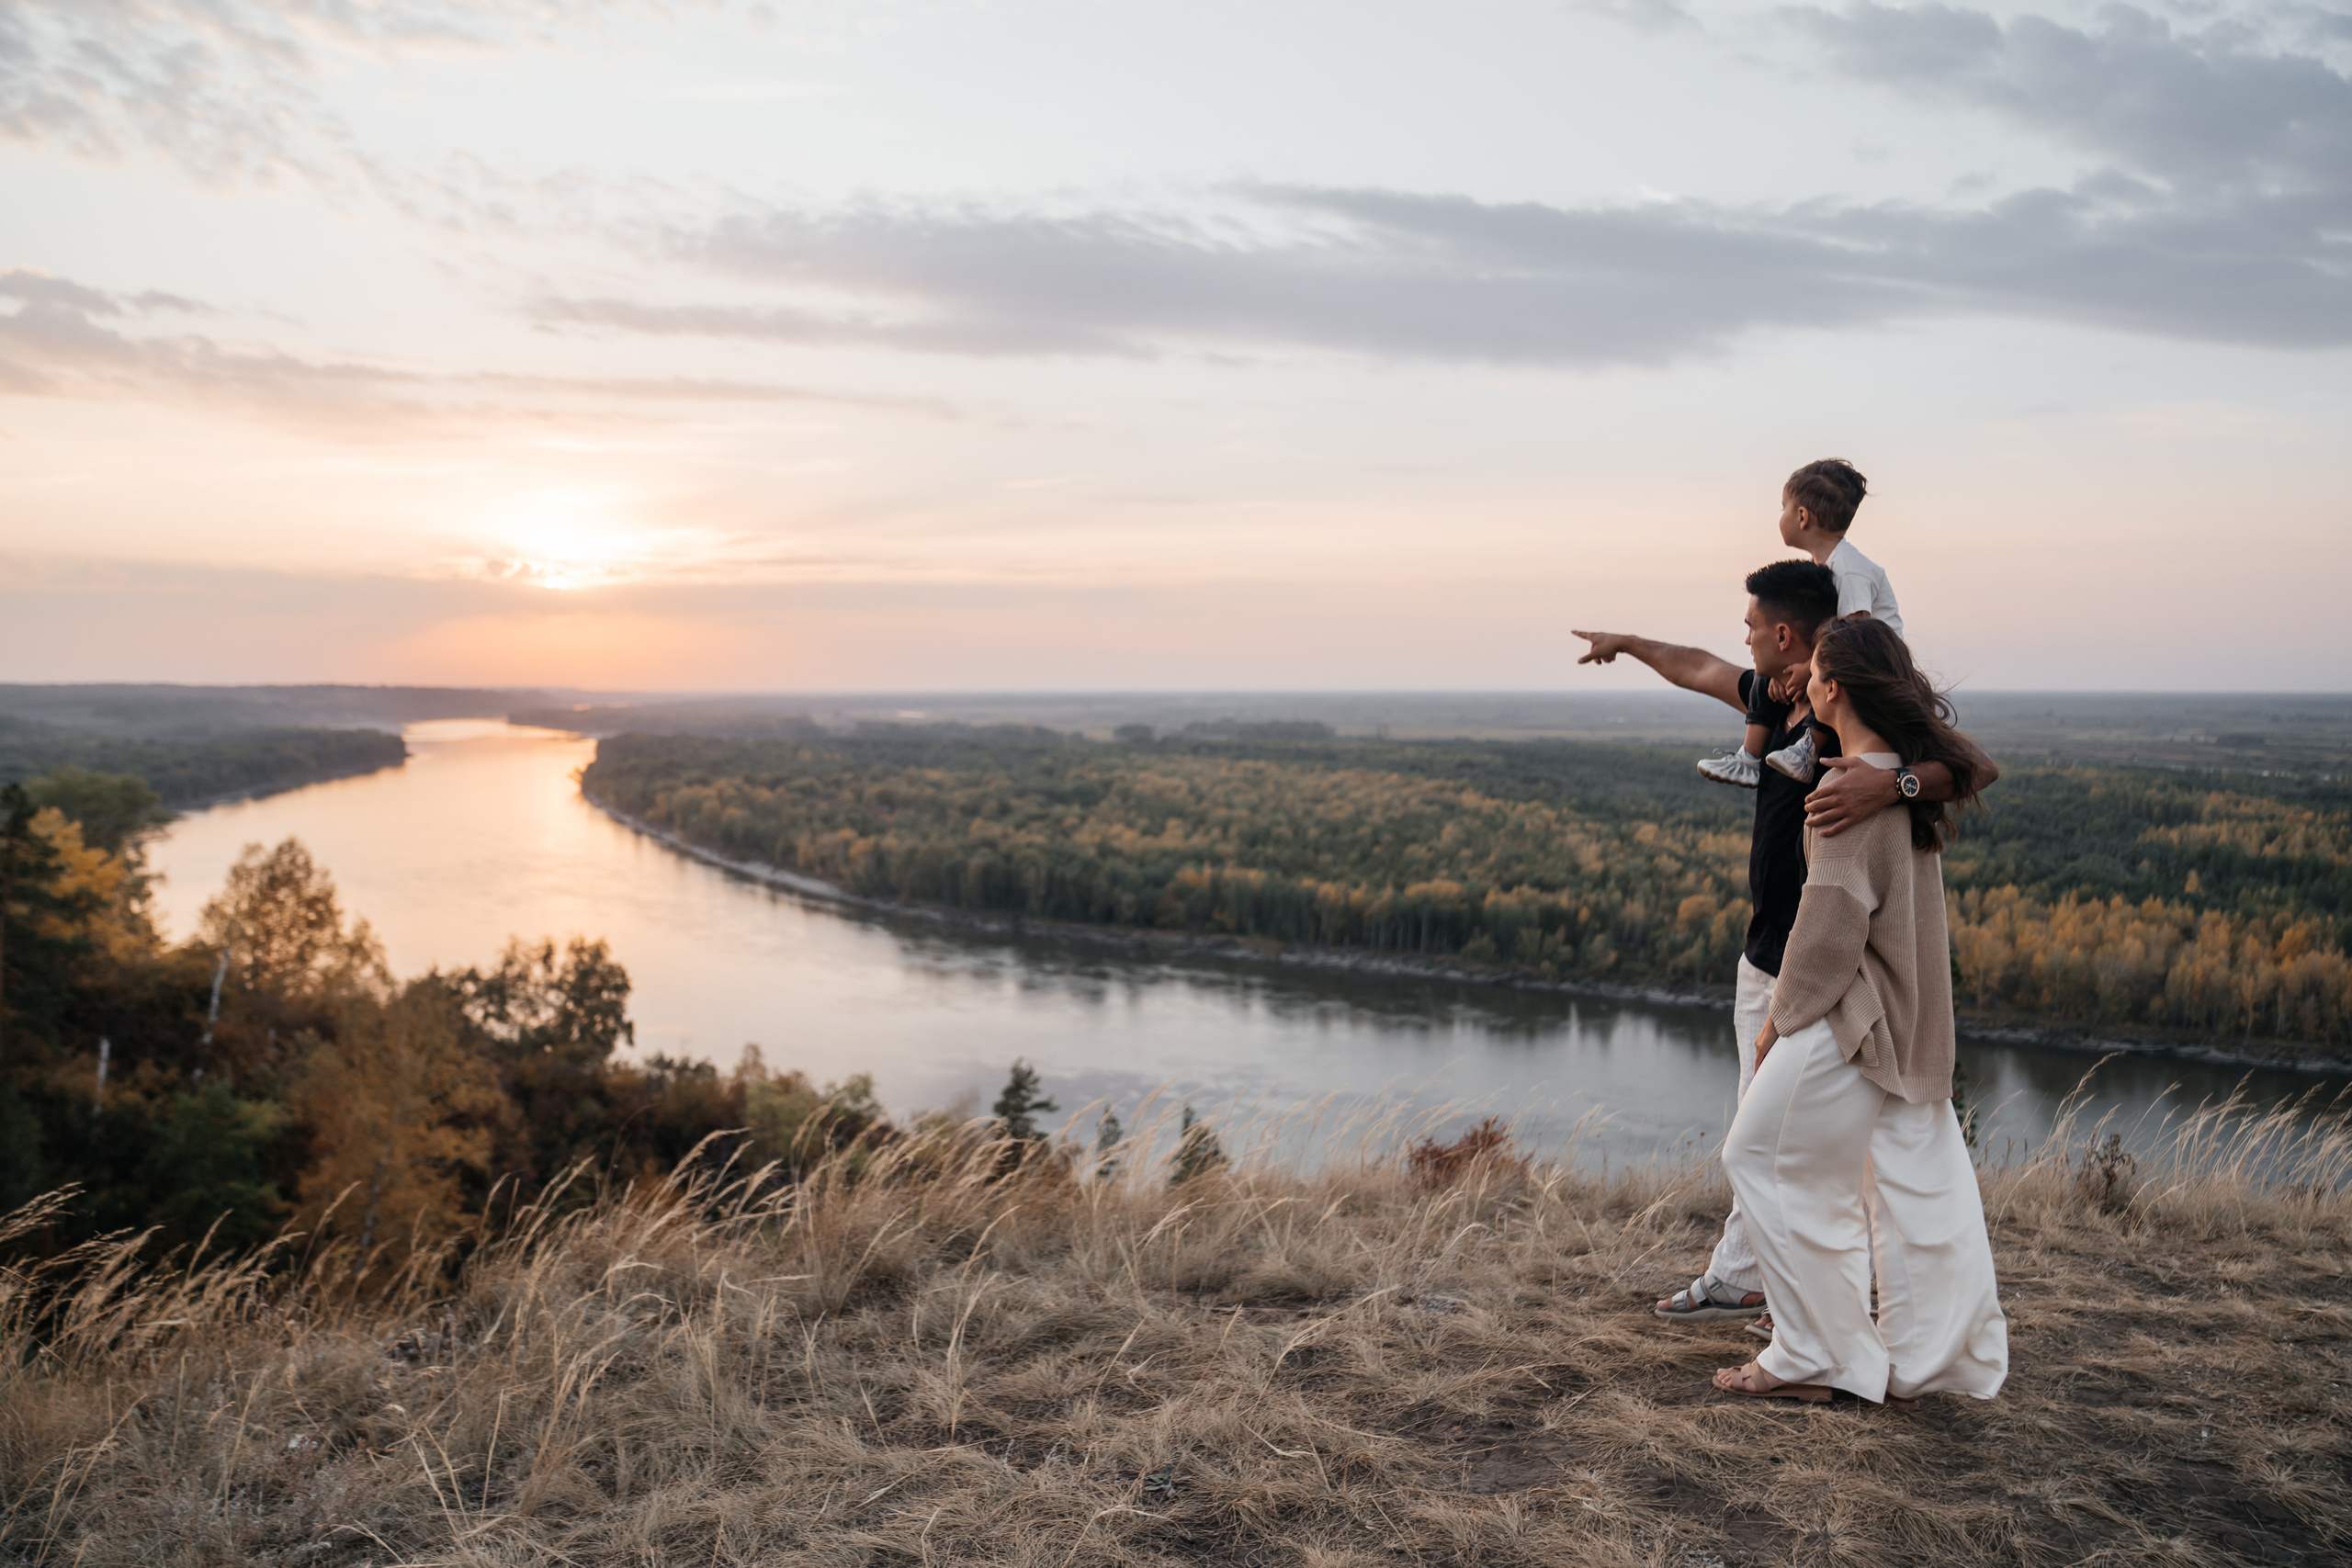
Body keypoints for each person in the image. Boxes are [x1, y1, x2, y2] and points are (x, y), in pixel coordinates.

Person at [1572, 564, 1993, 1335]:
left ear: (1786, 634)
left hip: (1824, 966)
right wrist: (1627, 643)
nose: (1743, 638)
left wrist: (1892, 782)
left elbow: (1971, 766)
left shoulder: (1843, 715)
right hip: (1768, 953)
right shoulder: (1778, 697)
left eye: (1753, 626)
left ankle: (1805, 1304)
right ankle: (1753, 1280)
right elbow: (1697, 667)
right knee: (1765, 1133)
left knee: (1781, 1143)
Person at [1711, 616, 2007, 1405]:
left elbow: (1829, 926)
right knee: (1914, 1187)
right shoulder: (1895, 774)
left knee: (1761, 1159)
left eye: (1814, 674)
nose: (1802, 681)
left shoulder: (1847, 792)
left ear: (1834, 688)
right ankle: (1916, 1363)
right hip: (1899, 1012)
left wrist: (1776, 1022)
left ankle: (1811, 1351)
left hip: (1852, 1014)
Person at [1698, 459, 1901, 790]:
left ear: (1803, 516)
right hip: (1842, 658)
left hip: (1874, 666)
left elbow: (1855, 638)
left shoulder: (1848, 570)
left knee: (1830, 686)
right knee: (1766, 672)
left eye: (1784, 507)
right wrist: (1787, 671)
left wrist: (1809, 669)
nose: (1781, 515)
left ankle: (1809, 749)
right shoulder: (1824, 566)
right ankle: (1750, 757)